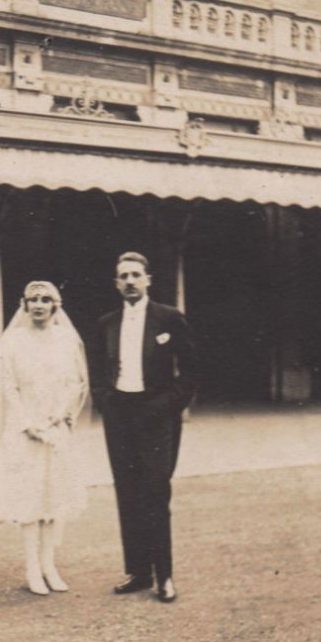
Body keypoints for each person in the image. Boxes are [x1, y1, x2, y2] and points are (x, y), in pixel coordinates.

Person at [92, 253, 198, 603]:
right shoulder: (107, 322)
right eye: (123, 276)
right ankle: (138, 572)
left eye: (136, 275)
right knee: (127, 490)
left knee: (155, 490)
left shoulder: (169, 318)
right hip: (120, 414)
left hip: (156, 415)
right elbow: (98, 371)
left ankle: (164, 576)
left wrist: (166, 406)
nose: (130, 281)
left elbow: (192, 372)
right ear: (116, 283)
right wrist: (106, 400)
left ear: (148, 279)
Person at [0, 281, 89, 595]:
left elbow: (76, 383)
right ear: (24, 305)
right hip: (24, 431)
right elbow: (8, 387)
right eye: (33, 300)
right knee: (30, 501)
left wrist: (60, 415)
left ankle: (49, 565)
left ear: (55, 305)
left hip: (55, 428)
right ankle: (32, 569)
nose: (39, 305)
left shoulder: (66, 339)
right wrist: (28, 423)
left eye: (45, 300)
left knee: (54, 500)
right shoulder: (13, 340)